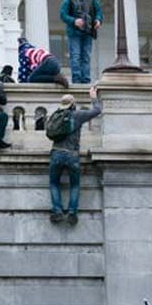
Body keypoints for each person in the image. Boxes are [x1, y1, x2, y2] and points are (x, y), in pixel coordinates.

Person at [48, 86, 102, 226]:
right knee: (74, 185)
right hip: (72, 154)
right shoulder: (77, 115)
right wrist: (93, 97)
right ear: (73, 104)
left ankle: (57, 211)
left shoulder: (55, 115)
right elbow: (97, 110)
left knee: (54, 183)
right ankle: (72, 213)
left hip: (56, 152)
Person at [59, 0, 102, 84]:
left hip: (88, 31)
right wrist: (74, 21)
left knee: (86, 56)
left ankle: (86, 80)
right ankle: (77, 80)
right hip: (74, 32)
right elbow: (63, 14)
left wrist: (98, 20)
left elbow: (98, 11)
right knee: (76, 56)